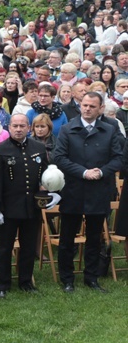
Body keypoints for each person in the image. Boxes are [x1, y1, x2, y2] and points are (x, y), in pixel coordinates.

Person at [53, 92, 123, 293]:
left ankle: (91, 278)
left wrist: (101, 172)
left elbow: (118, 159)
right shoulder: (68, 129)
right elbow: (59, 157)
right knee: (67, 238)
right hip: (74, 190)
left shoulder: (109, 131)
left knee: (94, 238)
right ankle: (67, 279)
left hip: (99, 191)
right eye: (84, 105)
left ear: (101, 108)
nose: (87, 109)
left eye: (92, 106)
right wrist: (83, 172)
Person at [0, 115, 53, 298]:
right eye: (15, 126)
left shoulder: (39, 148)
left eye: (22, 126)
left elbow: (46, 176)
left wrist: (49, 193)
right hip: (8, 209)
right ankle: (2, 284)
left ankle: (25, 281)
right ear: (9, 127)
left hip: (31, 207)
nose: (18, 129)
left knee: (28, 247)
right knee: (4, 248)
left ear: (28, 127)